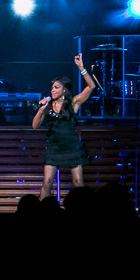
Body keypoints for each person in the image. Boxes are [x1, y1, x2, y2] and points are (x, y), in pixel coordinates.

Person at [31, 54, 97, 199]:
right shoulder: (48, 106)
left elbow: (91, 86)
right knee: (47, 182)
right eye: (52, 88)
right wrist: (41, 108)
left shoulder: (73, 103)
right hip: (54, 148)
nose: (52, 90)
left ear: (64, 90)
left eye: (56, 88)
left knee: (78, 182)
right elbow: (35, 125)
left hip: (72, 148)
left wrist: (82, 68)